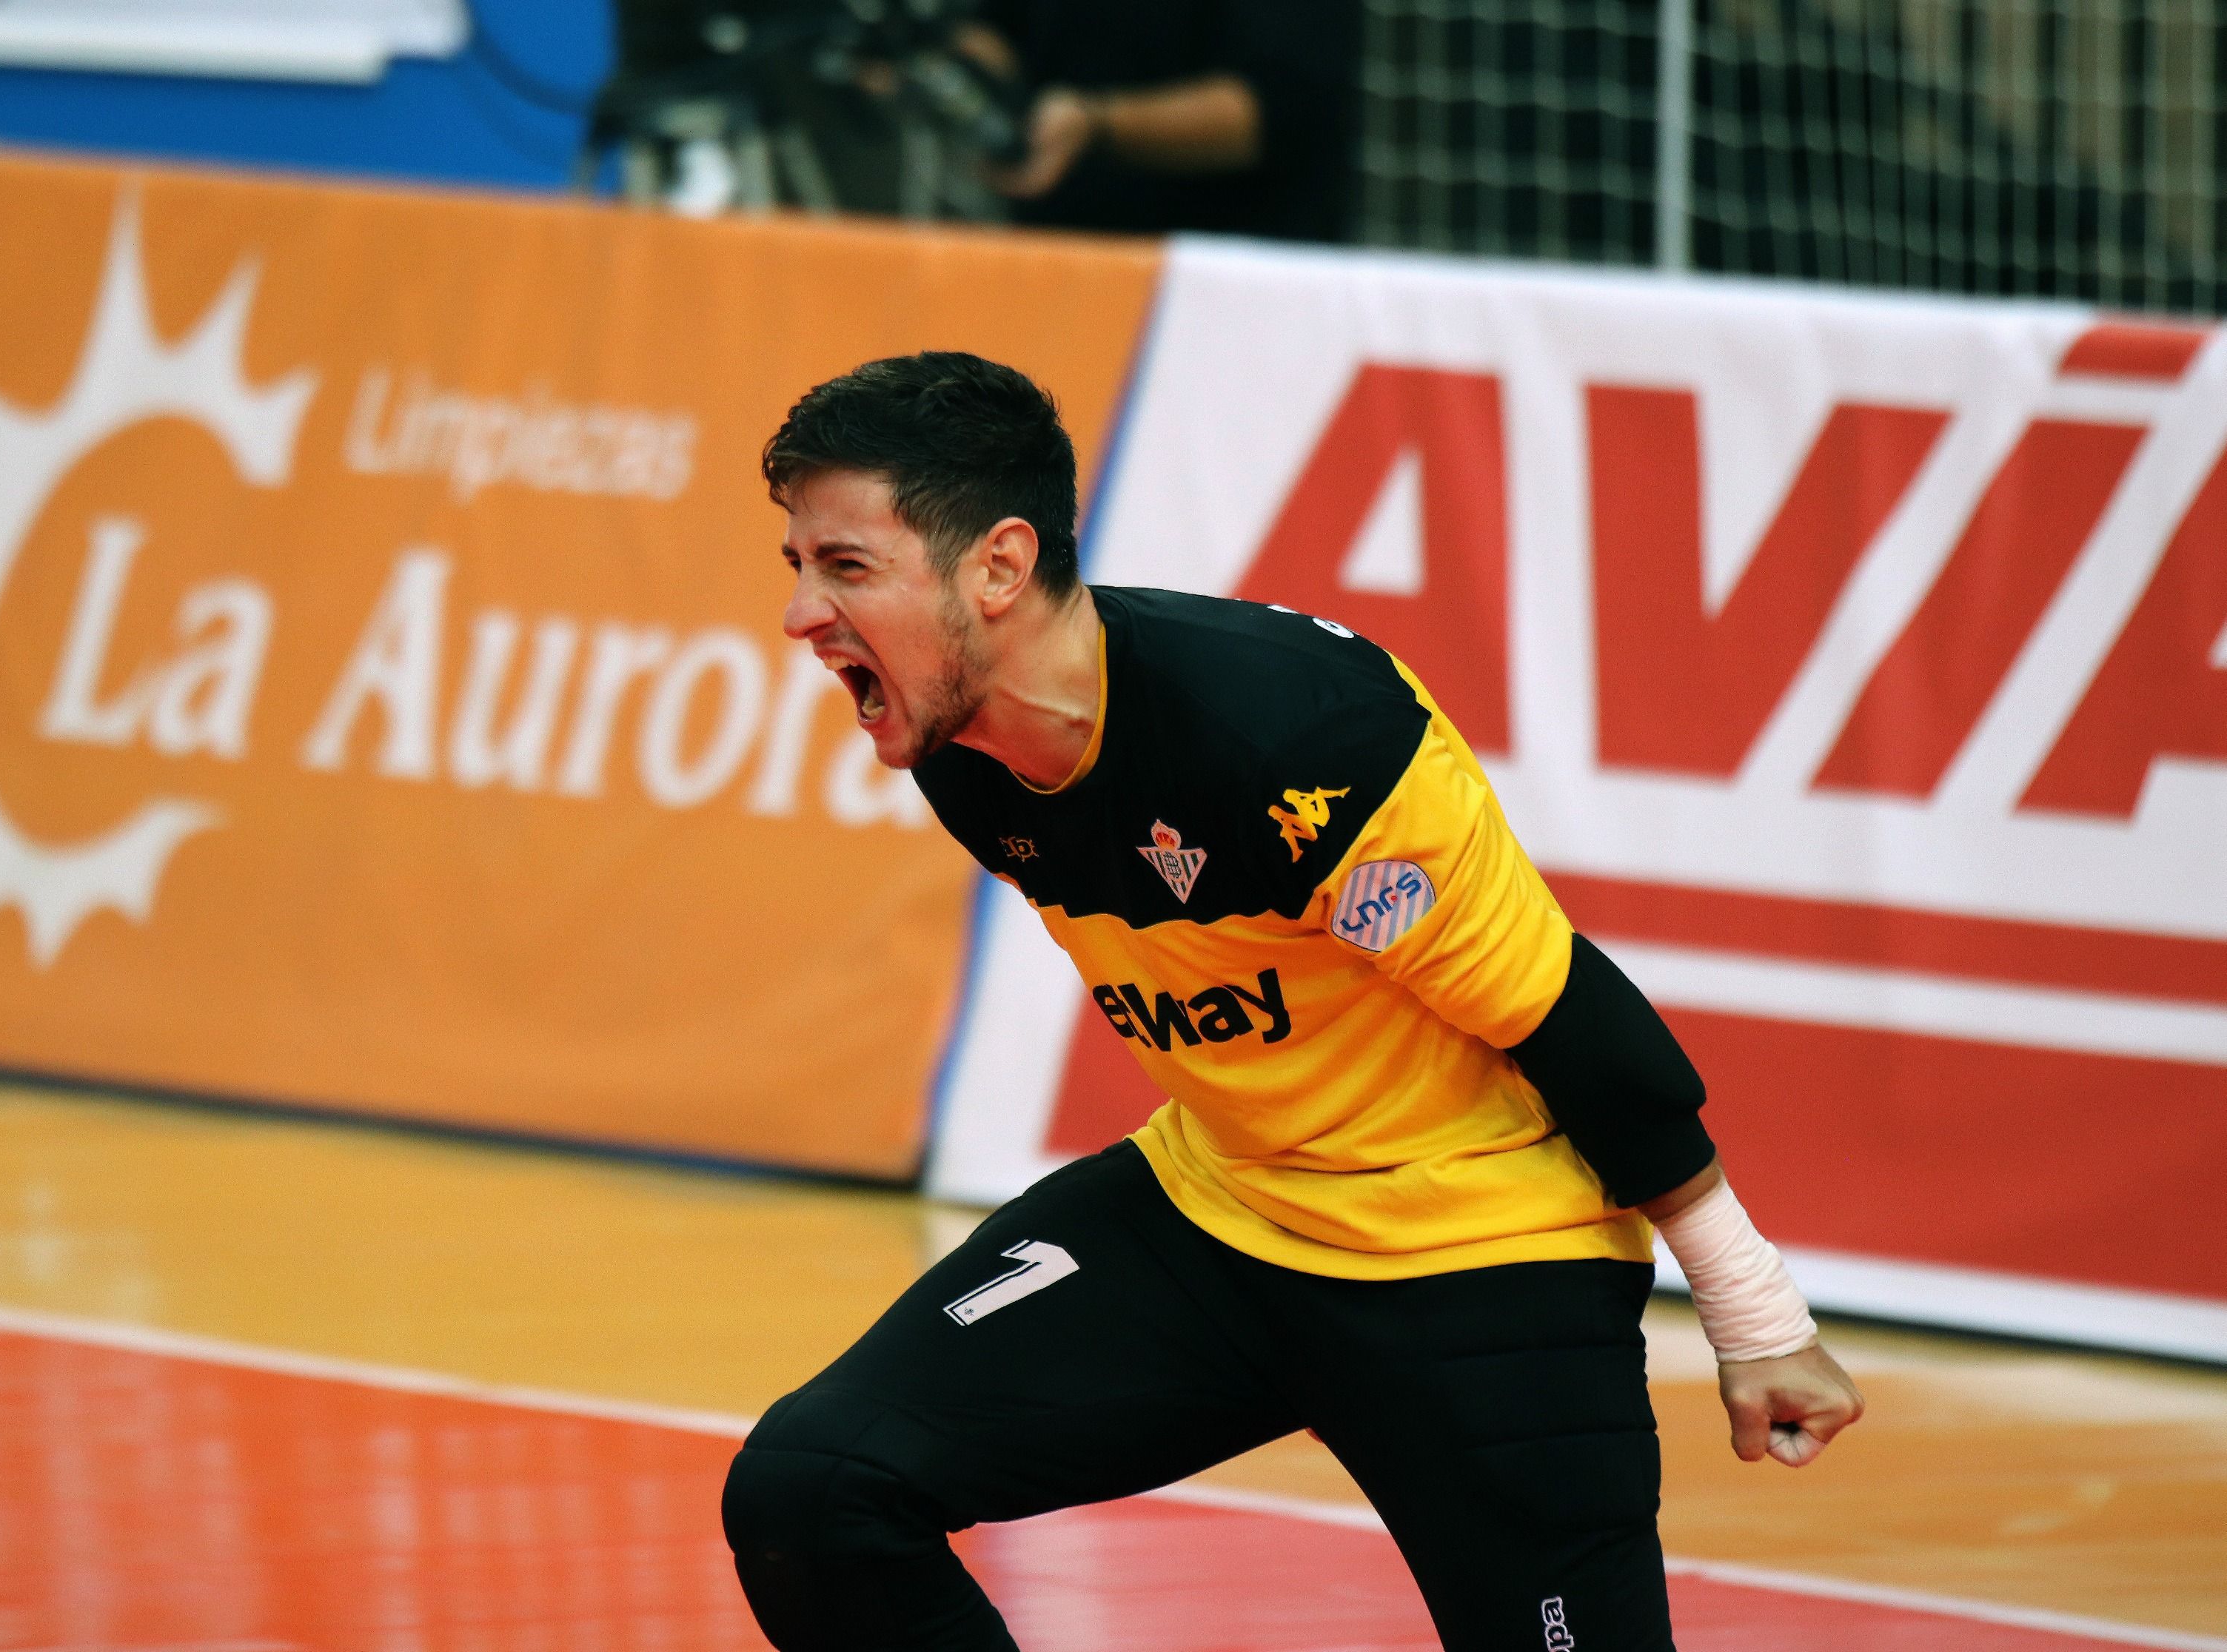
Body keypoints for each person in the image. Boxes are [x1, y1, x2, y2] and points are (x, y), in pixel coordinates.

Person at [723, 352, 1864, 1649]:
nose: (801, 615)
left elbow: (1571, 1020)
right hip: (1226, 1214)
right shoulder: (962, 748)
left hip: (1477, 1253)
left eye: (846, 566)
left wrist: (1755, 1315)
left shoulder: (1297, 740)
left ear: (997, 566)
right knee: (813, 1493)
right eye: (797, 565)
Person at [971, 0, 1359, 241]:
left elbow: (1278, 112)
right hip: (1058, 259)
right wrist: (970, 76)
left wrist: (1096, 124)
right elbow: (1000, 30)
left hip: (1231, 280)